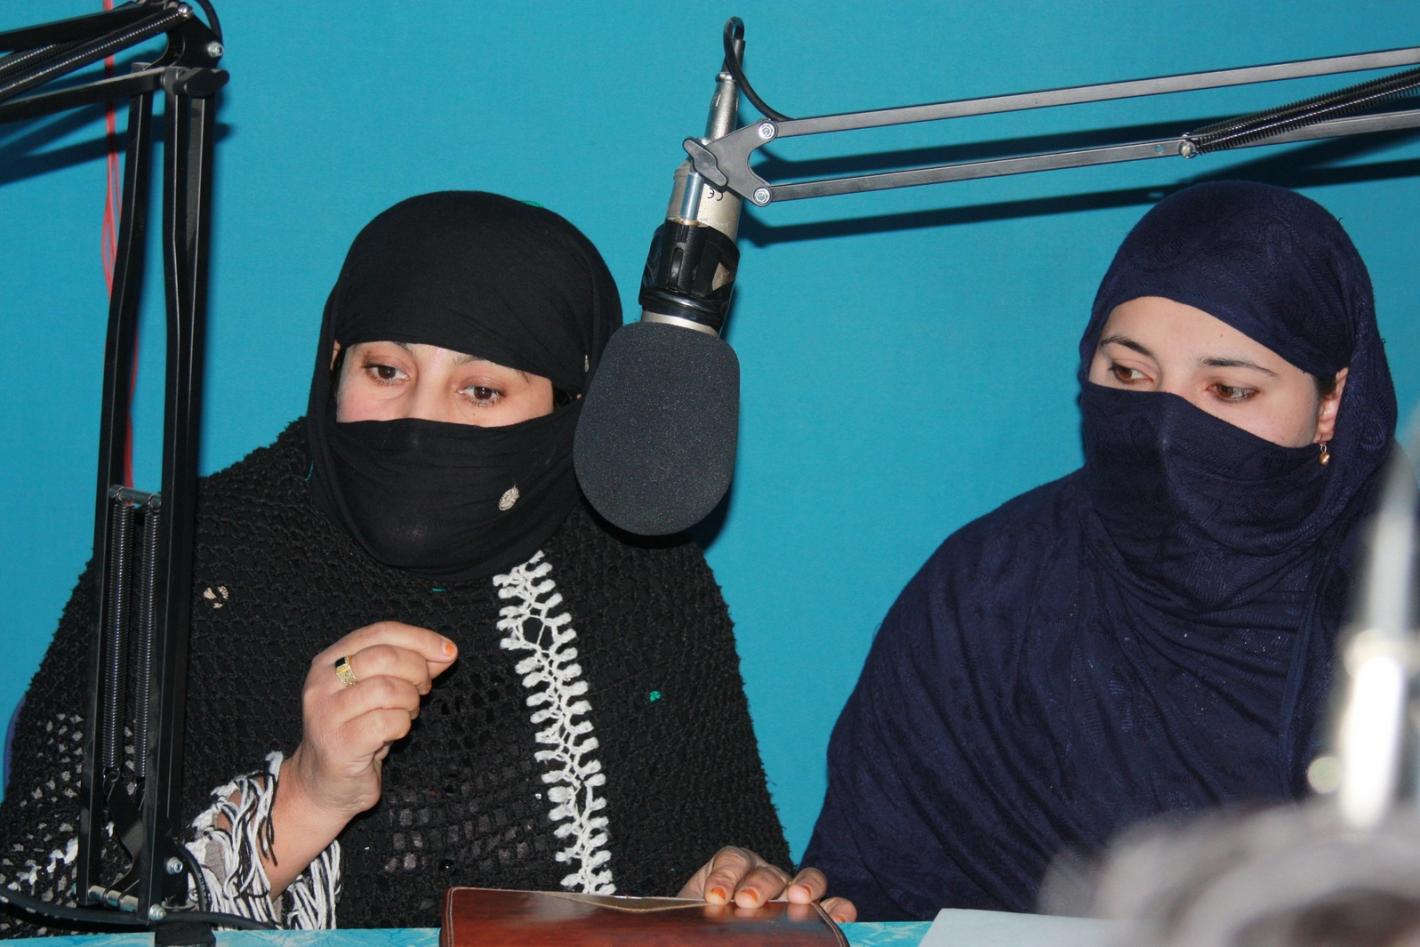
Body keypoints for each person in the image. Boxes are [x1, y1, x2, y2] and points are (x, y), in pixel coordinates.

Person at [0, 192, 852, 935]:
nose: (419, 421)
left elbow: (719, 848)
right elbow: (35, 904)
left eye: (481, 390)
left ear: (572, 407)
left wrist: (725, 890)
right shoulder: (187, 561)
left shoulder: (638, 570)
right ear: (332, 362)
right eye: (385, 370)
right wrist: (301, 799)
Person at [802, 181, 1400, 920]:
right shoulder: (987, 597)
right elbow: (864, 899)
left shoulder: (1395, 599)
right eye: (1128, 374)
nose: (1164, 428)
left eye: (1228, 390)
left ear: (1332, 404)